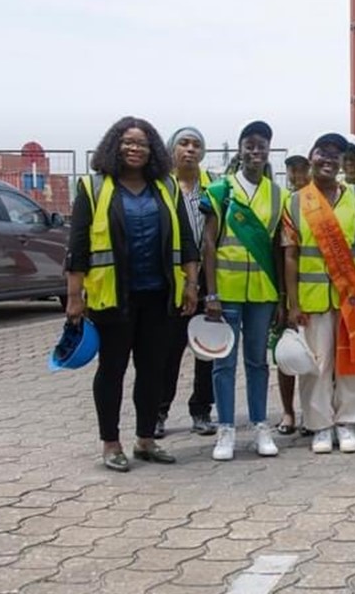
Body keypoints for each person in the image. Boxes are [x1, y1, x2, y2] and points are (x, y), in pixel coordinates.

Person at [66, 117, 200, 472]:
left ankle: (145, 439)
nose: (134, 148)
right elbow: (78, 244)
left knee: (153, 369)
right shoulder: (93, 187)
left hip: (159, 295)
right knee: (112, 370)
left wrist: (190, 283)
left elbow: (186, 240)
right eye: (127, 142)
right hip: (113, 298)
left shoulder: (167, 187)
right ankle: (111, 443)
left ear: (152, 149)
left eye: (141, 143)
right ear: (114, 146)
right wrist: (75, 295)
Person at [282, 133, 355, 454]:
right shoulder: (295, 201)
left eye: (336, 154)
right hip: (313, 297)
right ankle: (320, 425)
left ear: (342, 162)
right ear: (311, 156)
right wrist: (292, 303)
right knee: (317, 364)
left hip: (349, 294)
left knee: (352, 360)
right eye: (323, 152)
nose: (329, 159)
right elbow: (290, 254)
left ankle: (348, 422)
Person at [201, 121, 283, 460]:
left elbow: (278, 247)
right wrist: (211, 293)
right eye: (249, 144)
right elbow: (208, 242)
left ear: (267, 152)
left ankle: (261, 425)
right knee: (224, 362)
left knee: (258, 362)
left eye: (261, 145)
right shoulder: (221, 191)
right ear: (240, 149)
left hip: (263, 292)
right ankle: (226, 430)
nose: (255, 150)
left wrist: (282, 297)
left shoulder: (278, 195)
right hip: (228, 291)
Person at [156, 126, 216, 439]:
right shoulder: (160, 188)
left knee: (206, 348)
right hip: (172, 280)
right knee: (169, 350)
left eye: (196, 144)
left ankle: (202, 409)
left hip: (208, 279)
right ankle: (159, 410)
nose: (190, 150)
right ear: (171, 150)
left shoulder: (215, 188)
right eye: (184, 143)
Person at [275, 154, 310, 436]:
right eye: (292, 167)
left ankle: (314, 412)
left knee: (316, 356)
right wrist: (283, 298)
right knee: (285, 355)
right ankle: (288, 412)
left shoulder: (319, 202)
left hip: (314, 293)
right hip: (283, 289)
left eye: (302, 167)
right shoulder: (282, 203)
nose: (298, 173)